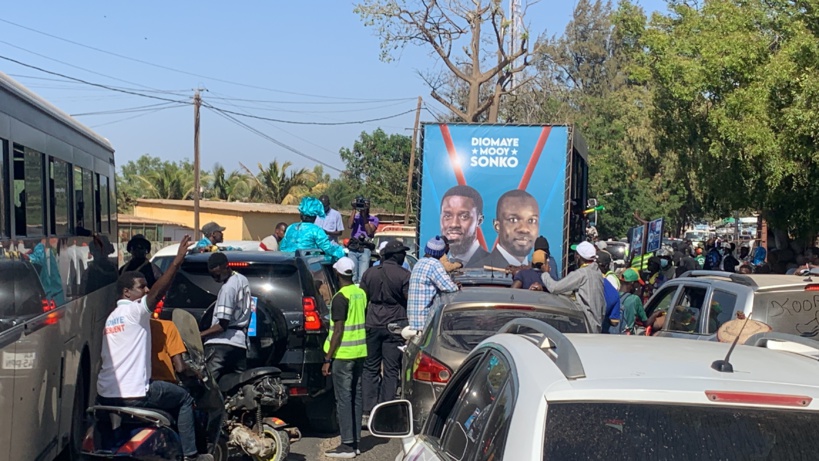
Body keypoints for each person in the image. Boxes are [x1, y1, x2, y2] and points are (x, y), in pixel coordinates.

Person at [97, 236, 212, 461]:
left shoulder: (112, 318)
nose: (147, 289)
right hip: (136, 394)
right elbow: (157, 292)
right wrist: (177, 261)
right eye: (142, 287)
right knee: (185, 399)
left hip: (105, 396)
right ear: (126, 293)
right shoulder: (133, 312)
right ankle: (191, 455)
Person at [358, 240, 411, 429]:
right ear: (395, 256)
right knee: (390, 371)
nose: (404, 256)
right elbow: (408, 300)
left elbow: (363, 298)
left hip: (371, 322)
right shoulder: (404, 275)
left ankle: (367, 411)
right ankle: (385, 414)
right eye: (402, 253)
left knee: (370, 368)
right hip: (394, 325)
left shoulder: (369, 273)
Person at [322, 257, 368, 458]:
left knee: (343, 399)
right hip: (360, 352)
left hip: (343, 354)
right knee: (356, 398)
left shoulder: (340, 297)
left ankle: (347, 445)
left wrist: (327, 358)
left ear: (337, 274)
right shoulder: (360, 293)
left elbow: (338, 330)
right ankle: (355, 442)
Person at [201, 252, 252, 384]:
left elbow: (222, 325)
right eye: (212, 275)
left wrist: (200, 335)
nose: (215, 278)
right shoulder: (242, 279)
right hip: (240, 344)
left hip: (221, 343)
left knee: (208, 385)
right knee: (239, 385)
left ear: (226, 266)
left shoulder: (227, 288)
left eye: (217, 274)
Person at [540, 241, 606, 332]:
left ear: (578, 256)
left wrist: (545, 273)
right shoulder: (597, 272)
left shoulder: (582, 273)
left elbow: (554, 288)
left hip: (587, 325)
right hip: (596, 324)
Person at [406, 236, 460, 332]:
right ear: (441, 252)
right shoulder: (434, 264)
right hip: (425, 321)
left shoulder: (419, 263)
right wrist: (457, 286)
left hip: (413, 320)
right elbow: (450, 288)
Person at [482, 190, 539, 268]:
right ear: (497, 226)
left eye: (531, 220)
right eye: (513, 220)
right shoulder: (477, 272)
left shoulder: (540, 273)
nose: (524, 229)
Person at [280, 197, 345, 261]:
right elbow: (328, 249)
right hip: (307, 265)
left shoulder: (290, 227)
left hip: (287, 263)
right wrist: (341, 251)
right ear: (315, 216)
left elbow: (282, 247)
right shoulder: (317, 231)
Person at [439, 185, 490, 268]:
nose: (454, 224)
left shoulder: (493, 264)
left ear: (479, 220)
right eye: (447, 216)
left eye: (464, 216)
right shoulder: (434, 264)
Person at [150, 318, 193, 383]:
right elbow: (180, 368)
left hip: (135, 384)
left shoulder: (131, 328)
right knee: (185, 393)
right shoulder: (167, 326)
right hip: (163, 381)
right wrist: (194, 371)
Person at [346, 196, 379, 283]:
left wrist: (364, 217)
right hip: (353, 247)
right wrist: (354, 209)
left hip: (364, 248)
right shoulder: (356, 217)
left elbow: (369, 232)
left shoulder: (374, 219)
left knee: (362, 277)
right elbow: (349, 226)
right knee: (352, 276)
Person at [619, 268, 649, 335]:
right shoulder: (635, 299)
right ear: (632, 283)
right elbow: (646, 322)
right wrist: (656, 314)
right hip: (627, 336)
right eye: (638, 284)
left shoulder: (613, 295)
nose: (639, 286)